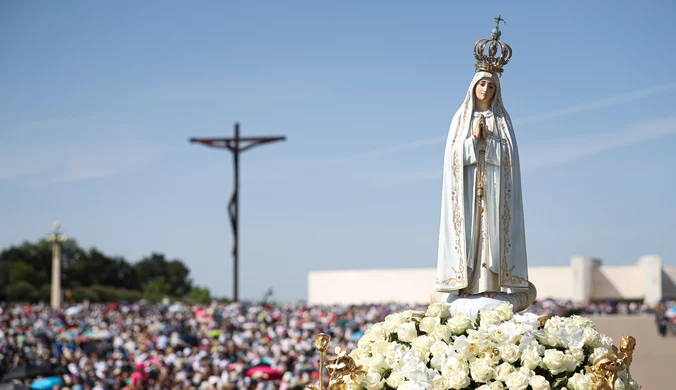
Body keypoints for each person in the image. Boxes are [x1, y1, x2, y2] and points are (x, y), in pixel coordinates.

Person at [436, 20, 529, 298]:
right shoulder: (461, 118)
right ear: (473, 86)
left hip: (493, 189)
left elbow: (510, 157)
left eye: (491, 85)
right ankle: (465, 283)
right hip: (467, 188)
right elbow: (452, 157)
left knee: (490, 233)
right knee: (469, 233)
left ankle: (489, 285)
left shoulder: (501, 119)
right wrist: (473, 140)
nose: (486, 89)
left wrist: (490, 142)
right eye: (482, 84)